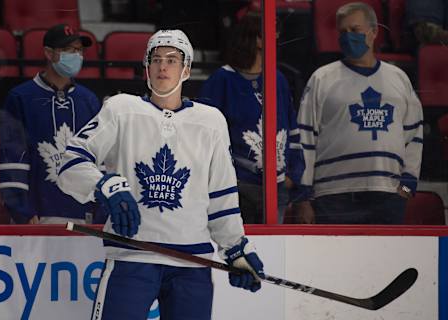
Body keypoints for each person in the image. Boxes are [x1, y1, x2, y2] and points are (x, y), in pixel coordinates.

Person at [57, 29, 265, 320]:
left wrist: (236, 249)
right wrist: (103, 185)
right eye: (155, 59)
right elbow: (70, 162)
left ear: (187, 69)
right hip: (132, 257)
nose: (163, 66)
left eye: (172, 59)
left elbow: (222, 196)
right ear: (146, 67)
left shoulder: (211, 121)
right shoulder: (120, 110)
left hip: (192, 263)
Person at [295, 2, 423, 224]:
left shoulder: (398, 78)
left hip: (388, 194)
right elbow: (305, 139)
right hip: (333, 196)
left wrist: (407, 185)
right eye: (342, 31)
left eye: (354, 30)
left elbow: (414, 134)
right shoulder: (321, 78)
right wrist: (304, 197)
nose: (348, 37)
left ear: (374, 32)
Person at [199, 12, 305, 224]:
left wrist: (294, 174)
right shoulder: (222, 80)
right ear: (256, 38)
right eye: (271, 31)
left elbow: (291, 129)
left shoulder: (278, 79)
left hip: (277, 187)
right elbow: (204, 134)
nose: (277, 36)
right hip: (239, 187)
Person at [0, 24, 102, 224]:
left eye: (79, 50)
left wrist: (100, 212)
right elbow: (12, 158)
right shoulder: (21, 97)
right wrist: (23, 212)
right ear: (48, 53)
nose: (75, 55)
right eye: (67, 50)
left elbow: (99, 159)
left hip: (84, 218)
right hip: (37, 217)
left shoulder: (88, 101)